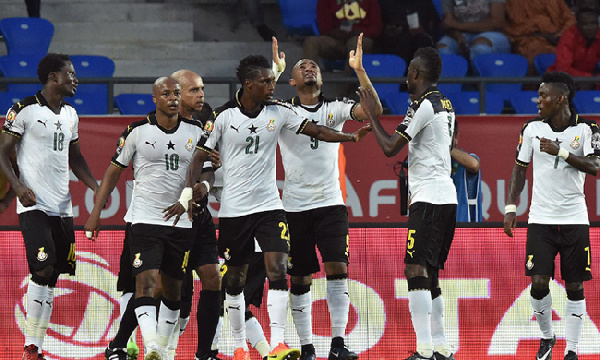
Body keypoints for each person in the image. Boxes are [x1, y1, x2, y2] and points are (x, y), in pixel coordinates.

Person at [163, 54, 372, 360]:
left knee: (278, 270)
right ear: (249, 84)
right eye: (266, 81)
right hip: (235, 210)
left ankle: (277, 343)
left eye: (273, 80)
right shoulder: (222, 117)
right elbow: (198, 157)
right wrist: (189, 194)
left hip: (271, 206)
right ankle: (238, 345)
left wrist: (349, 137)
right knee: (233, 281)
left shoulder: (280, 112)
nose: (272, 85)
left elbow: (317, 130)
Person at [273, 34, 383, 360]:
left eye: (314, 66)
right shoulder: (281, 112)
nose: (309, 68)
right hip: (294, 206)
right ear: (292, 81)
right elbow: (256, 98)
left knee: (338, 268)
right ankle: (306, 347)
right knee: (300, 276)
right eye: (302, 66)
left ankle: (337, 344)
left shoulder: (336, 107)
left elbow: (374, 110)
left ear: (321, 77)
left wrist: (360, 71)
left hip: (331, 203)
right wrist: (276, 70)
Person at [84, 76, 206, 360]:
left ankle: (162, 351)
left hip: (181, 223)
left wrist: (204, 187)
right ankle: (151, 345)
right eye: (166, 94)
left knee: (173, 292)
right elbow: (112, 173)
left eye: (176, 93)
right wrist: (94, 214)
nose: (173, 98)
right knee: (146, 283)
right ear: (155, 98)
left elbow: (209, 169)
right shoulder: (137, 131)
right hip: (145, 219)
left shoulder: (197, 130)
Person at [0, 53, 99, 360]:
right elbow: (2, 152)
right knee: (42, 267)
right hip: (34, 205)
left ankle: (37, 347)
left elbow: (76, 157)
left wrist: (97, 186)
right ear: (54, 77)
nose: (75, 79)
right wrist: (18, 188)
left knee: (53, 274)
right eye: (70, 74)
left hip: (63, 207)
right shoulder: (24, 109)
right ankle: (31, 345)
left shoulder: (71, 114)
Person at [361, 47, 457, 360]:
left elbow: (390, 147)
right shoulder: (446, 103)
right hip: (446, 196)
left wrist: (373, 117)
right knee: (431, 273)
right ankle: (441, 346)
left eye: (409, 71)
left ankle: (425, 348)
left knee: (414, 268)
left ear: (416, 73)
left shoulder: (424, 105)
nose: (406, 76)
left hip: (428, 198)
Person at [503, 71, 599, 360]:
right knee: (539, 282)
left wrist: (562, 153)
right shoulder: (531, 128)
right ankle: (547, 337)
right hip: (541, 220)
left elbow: (595, 166)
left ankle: (572, 349)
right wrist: (510, 207)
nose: (538, 100)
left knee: (574, 285)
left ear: (561, 98)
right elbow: (520, 168)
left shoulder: (588, 129)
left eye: (544, 96)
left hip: (574, 219)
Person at [303, 0, 382, 71]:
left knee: (355, 43)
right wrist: (334, 32)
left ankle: (348, 84)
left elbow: (377, 28)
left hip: (361, 38)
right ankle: (308, 84)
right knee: (311, 42)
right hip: (335, 40)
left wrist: (359, 32)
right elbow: (324, 27)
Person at [503, 0, 575, 75]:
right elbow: (518, 26)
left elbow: (570, 19)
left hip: (559, 38)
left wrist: (560, 35)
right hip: (531, 40)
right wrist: (546, 35)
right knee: (534, 54)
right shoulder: (515, 2)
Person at [436, 0, 510, 65]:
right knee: (442, 48)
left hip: (491, 33)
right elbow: (448, 23)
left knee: (480, 47)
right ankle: (452, 79)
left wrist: (458, 25)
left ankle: (481, 80)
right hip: (459, 34)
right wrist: (459, 38)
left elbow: (497, 23)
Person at [547, 7, 600, 83]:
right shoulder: (568, 37)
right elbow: (563, 69)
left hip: (590, 80)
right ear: (578, 25)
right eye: (585, 24)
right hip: (562, 80)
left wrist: (594, 80)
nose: (590, 27)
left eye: (593, 23)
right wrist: (589, 78)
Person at [450, 120, 482, 222]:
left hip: (466, 228)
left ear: (456, 138)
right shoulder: (432, 164)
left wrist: (445, 147)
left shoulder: (469, 159)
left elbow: (474, 165)